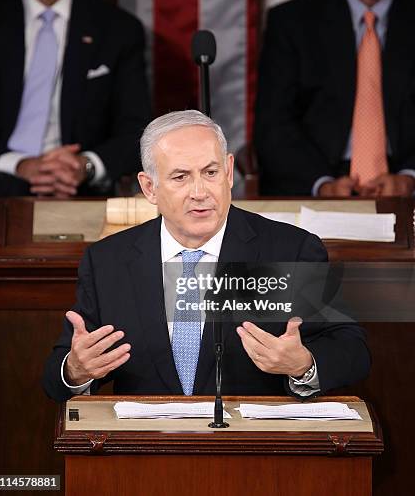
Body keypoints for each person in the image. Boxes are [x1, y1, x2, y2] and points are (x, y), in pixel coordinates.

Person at [42, 110, 370, 402]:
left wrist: (303, 364)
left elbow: (352, 349)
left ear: (229, 171)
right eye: (181, 177)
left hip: (254, 455)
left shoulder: (288, 250)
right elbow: (58, 379)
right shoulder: (108, 262)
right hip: (145, 457)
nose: (200, 192)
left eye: (210, 172)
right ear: (149, 188)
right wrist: (76, 370)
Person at [255, 0, 415, 197]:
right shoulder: (291, 23)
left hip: (405, 186)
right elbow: (273, 126)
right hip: (318, 182)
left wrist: (410, 178)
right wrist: (322, 185)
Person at [0, 0, 150, 197]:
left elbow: (136, 132)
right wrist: (19, 164)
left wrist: (84, 166)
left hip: (80, 190)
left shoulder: (118, 30)